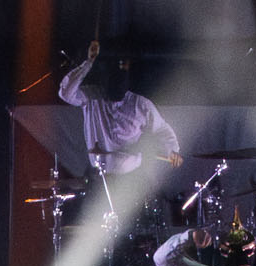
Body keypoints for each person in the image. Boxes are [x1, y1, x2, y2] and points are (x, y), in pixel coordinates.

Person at [58, 41, 184, 178]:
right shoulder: (92, 97)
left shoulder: (141, 105)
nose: (115, 98)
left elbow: (161, 129)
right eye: (112, 91)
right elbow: (65, 93)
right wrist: (89, 62)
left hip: (130, 178)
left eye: (119, 91)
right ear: (105, 84)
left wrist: (172, 150)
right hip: (98, 176)